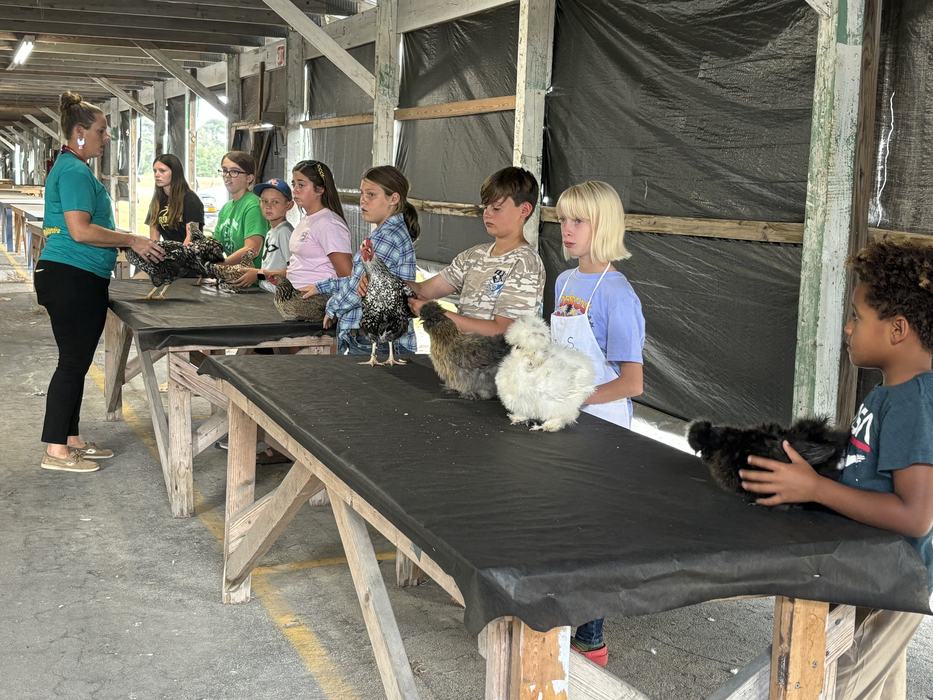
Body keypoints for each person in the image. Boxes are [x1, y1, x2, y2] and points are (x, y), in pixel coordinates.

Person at [742, 239, 933, 700]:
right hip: (872, 575)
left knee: (836, 684)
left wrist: (814, 488)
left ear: (898, 329)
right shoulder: (890, 395)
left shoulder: (912, 402)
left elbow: (916, 515)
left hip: (887, 585)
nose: (847, 328)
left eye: (856, 317)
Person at [35, 91, 165, 473]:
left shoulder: (73, 167)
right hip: (71, 276)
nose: (107, 137)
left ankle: (70, 438)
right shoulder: (74, 170)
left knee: (75, 361)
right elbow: (79, 229)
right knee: (72, 363)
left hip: (77, 276)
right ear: (79, 132)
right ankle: (55, 450)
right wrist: (132, 239)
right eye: (102, 130)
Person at [550, 180, 646, 666]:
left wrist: (578, 397)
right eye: (563, 219)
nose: (566, 230)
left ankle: (590, 641)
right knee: (560, 526)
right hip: (564, 423)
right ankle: (556, 625)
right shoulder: (564, 283)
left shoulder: (618, 293)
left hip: (603, 431)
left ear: (602, 226)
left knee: (588, 536)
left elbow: (632, 382)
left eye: (578, 221)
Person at [401, 166, 546, 335]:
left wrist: (435, 314)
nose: (487, 214)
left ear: (524, 210)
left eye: (497, 208)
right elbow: (422, 290)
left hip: (499, 361)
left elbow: (503, 331)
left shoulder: (525, 262)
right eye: (486, 207)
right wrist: (380, 282)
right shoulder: (473, 256)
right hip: (463, 358)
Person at [307, 165, 418, 356]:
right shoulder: (387, 233)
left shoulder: (385, 238)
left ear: (394, 198)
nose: (363, 200)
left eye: (371, 194)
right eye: (362, 193)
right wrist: (322, 287)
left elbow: (356, 290)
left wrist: (333, 307)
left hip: (376, 340)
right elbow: (358, 281)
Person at [235, 161, 352, 292]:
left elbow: (348, 277)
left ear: (319, 189)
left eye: (301, 185)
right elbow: (298, 269)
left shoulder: (329, 224)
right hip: (293, 296)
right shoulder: (306, 220)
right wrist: (262, 274)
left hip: (316, 302)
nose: (295, 190)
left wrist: (320, 291)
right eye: (294, 184)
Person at [231, 178, 295, 292]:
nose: (268, 206)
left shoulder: (285, 232)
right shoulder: (271, 231)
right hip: (266, 290)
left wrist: (258, 275)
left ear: (289, 205)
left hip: (278, 295)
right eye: (264, 201)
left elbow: (293, 272)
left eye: (275, 202)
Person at [214, 151, 266, 267]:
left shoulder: (254, 206)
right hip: (232, 278)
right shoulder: (225, 208)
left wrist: (221, 265)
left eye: (234, 172)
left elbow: (252, 248)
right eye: (224, 170)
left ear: (249, 178)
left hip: (252, 281)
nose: (227, 175)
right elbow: (215, 245)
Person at [145, 153, 203, 244]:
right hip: (168, 253)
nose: (157, 175)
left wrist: (178, 256)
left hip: (189, 253)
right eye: (155, 171)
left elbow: (192, 237)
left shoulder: (190, 199)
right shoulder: (156, 201)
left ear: (175, 173)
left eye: (162, 171)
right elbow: (154, 239)